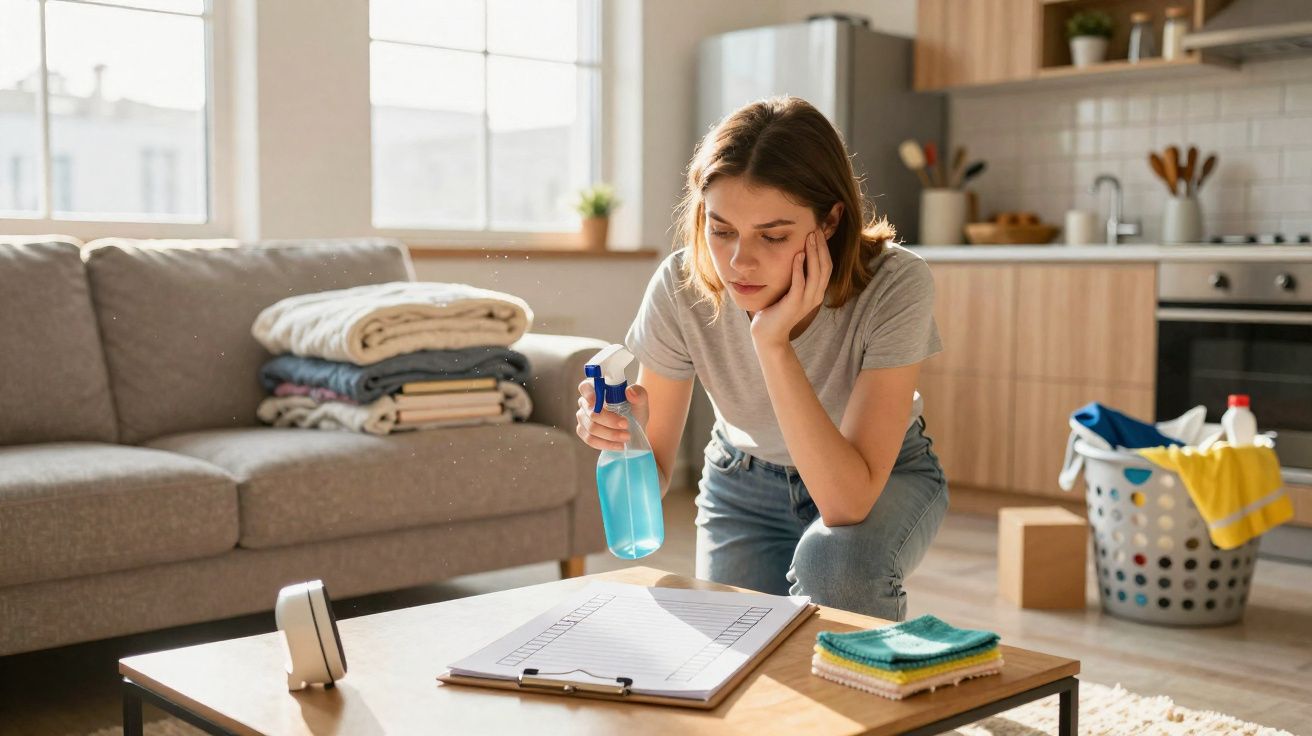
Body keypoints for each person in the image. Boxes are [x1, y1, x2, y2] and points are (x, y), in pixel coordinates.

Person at [574, 96, 947, 621]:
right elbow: (654, 472)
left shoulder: (895, 283)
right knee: (733, 648)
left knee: (835, 565)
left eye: (773, 236)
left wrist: (773, 344)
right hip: (742, 484)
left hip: (881, 477)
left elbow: (849, 503)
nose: (737, 262)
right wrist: (622, 437)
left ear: (831, 220)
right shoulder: (681, 286)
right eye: (721, 229)